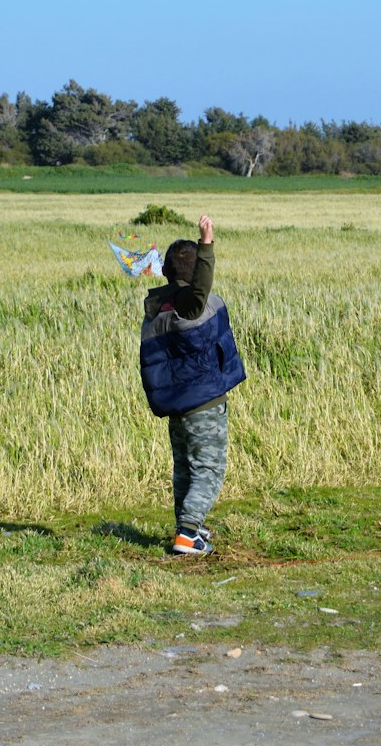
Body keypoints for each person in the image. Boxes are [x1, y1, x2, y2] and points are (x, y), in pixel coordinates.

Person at [139, 213, 245, 555]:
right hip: (203, 404)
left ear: (166, 272)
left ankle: (189, 529)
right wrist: (207, 243)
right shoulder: (191, 307)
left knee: (185, 468)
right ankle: (187, 534)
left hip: (176, 405)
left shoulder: (158, 309)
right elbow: (200, 288)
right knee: (209, 469)